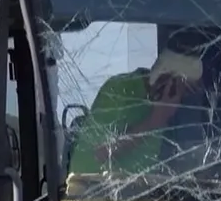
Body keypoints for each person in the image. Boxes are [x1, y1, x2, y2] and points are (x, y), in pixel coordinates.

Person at [66, 42, 210, 181]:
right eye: (184, 89)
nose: (184, 98)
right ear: (168, 81)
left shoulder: (173, 111)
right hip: (92, 193)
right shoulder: (120, 90)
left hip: (144, 198)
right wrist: (157, 118)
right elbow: (101, 153)